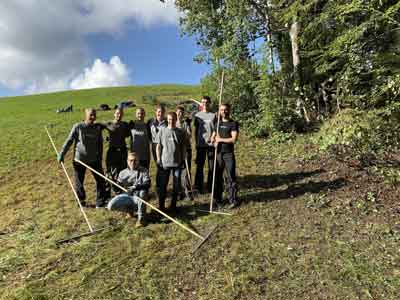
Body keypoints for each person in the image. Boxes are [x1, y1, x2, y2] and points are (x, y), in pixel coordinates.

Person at [57, 108, 108, 208]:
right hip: (79, 160)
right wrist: (62, 154)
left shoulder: (97, 128)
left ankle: (100, 202)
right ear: (85, 115)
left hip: (94, 159)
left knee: (101, 180)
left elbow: (100, 144)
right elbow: (69, 140)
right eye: (90, 115)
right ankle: (81, 201)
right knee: (79, 182)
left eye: (94, 115)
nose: (93, 117)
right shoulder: (78, 127)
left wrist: (100, 157)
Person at [107, 152, 150, 228]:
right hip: (127, 197)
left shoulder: (144, 171)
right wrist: (112, 182)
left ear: (138, 161)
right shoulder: (122, 173)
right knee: (110, 206)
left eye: (135, 160)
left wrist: (134, 188)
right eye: (131, 160)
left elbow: (147, 184)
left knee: (143, 192)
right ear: (127, 161)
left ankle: (141, 219)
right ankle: (130, 212)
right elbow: (117, 189)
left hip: (139, 198)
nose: (132, 163)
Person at [156, 112, 188, 212]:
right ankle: (161, 206)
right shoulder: (162, 131)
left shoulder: (180, 132)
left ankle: (173, 206)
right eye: (169, 119)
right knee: (163, 185)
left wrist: (183, 159)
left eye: (173, 119)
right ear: (167, 119)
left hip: (177, 163)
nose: (171, 121)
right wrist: (158, 159)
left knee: (176, 186)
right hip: (165, 163)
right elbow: (158, 146)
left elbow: (183, 147)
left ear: (176, 119)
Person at [211, 103, 240, 209]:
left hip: (228, 154)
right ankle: (217, 200)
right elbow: (213, 137)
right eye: (222, 110)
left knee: (231, 177)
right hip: (218, 154)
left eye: (225, 110)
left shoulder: (233, 124)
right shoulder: (217, 123)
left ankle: (233, 199)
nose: (224, 111)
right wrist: (213, 141)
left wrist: (220, 140)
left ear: (229, 110)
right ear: (219, 111)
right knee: (217, 177)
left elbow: (233, 139)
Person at [100, 107, 130, 195]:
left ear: (122, 115)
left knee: (123, 171)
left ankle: (121, 190)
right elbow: (98, 125)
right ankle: (109, 191)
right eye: (117, 113)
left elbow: (128, 134)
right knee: (110, 172)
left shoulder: (125, 124)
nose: (119, 115)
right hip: (112, 151)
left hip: (123, 151)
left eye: (120, 113)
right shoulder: (109, 123)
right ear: (114, 114)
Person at [193, 96, 216, 194]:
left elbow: (216, 129)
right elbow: (196, 130)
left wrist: (213, 139)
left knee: (211, 167)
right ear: (201, 104)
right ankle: (198, 186)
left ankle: (210, 186)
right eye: (203, 102)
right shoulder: (197, 116)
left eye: (206, 102)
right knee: (199, 166)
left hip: (211, 145)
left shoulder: (213, 115)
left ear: (209, 103)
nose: (205, 104)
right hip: (201, 145)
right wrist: (196, 142)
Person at [148, 105, 167, 192]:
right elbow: (147, 132)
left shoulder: (167, 122)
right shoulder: (151, 122)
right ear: (156, 112)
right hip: (154, 145)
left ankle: (162, 185)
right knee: (158, 164)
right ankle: (158, 186)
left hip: (164, 145)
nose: (160, 113)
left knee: (163, 165)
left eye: (162, 112)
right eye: (158, 111)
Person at [176, 105, 193, 200]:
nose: (180, 114)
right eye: (178, 112)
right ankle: (179, 192)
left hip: (186, 149)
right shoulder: (172, 123)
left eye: (181, 112)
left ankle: (188, 192)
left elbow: (189, 135)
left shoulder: (186, 123)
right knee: (177, 171)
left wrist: (184, 133)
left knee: (186, 171)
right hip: (176, 151)